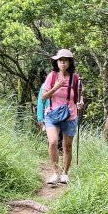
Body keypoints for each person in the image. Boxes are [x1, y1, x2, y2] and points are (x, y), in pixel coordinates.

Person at [41, 49, 84, 185]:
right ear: (56, 62)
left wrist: (81, 102)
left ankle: (65, 174)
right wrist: (56, 87)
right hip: (52, 114)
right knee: (53, 142)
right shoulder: (52, 76)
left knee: (67, 146)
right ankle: (55, 173)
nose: (63, 62)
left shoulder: (75, 78)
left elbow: (79, 95)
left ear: (70, 62)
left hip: (70, 114)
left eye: (65, 60)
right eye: (60, 60)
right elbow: (43, 97)